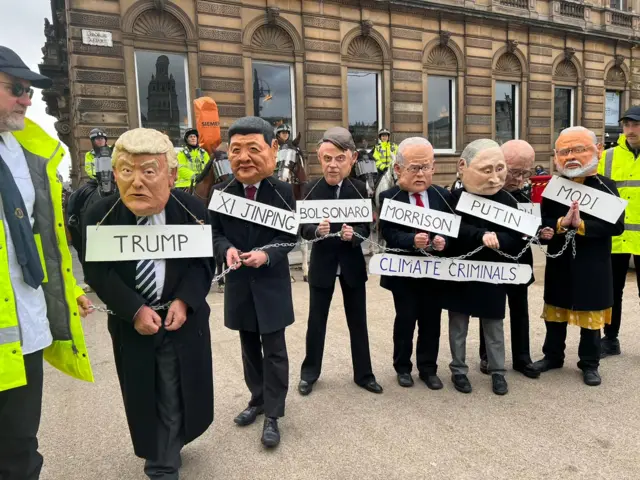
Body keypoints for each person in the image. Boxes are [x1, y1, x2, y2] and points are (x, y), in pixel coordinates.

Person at [83, 128, 214, 479]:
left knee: (174, 385)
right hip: (132, 323)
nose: (136, 182)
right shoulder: (98, 215)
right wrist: (134, 309)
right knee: (143, 389)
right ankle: (163, 453)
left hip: (180, 319)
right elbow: (98, 272)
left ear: (171, 176)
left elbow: (204, 264)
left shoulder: (193, 209)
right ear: (115, 174)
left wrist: (185, 302)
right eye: (127, 171)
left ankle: (164, 459)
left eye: (148, 171)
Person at [0, 45, 94, 479]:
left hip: (24, 327)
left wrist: (69, 288)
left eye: (29, 89)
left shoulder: (29, 153)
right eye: (17, 88)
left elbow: (45, 239)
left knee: (20, 445)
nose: (28, 98)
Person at [210, 116, 296, 449]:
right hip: (240, 286)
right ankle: (257, 399)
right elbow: (214, 234)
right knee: (248, 348)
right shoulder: (220, 192)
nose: (243, 158)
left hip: (271, 284)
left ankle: (274, 414)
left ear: (271, 150)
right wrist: (227, 250)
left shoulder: (283, 190)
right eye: (236, 150)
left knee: (274, 350)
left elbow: (288, 237)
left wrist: (267, 254)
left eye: (252, 149)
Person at [533, 126, 624, 386]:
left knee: (591, 317)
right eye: (565, 151)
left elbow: (615, 226)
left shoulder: (606, 187)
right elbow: (545, 221)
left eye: (578, 149)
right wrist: (560, 223)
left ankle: (589, 363)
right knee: (555, 310)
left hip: (592, 262)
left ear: (597, 150)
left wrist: (581, 225)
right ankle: (552, 356)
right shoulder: (553, 187)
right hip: (560, 261)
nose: (571, 156)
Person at [297, 127, 383, 396]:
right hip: (323, 264)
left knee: (358, 321)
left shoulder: (359, 189)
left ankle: (364, 374)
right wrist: (315, 231)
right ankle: (309, 373)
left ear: (351, 159)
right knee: (316, 322)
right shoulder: (311, 189)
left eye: (339, 159)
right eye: (327, 159)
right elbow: (303, 226)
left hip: (351, 265)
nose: (332, 165)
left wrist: (354, 235)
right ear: (319, 158)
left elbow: (366, 227)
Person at [445, 139, 524, 396]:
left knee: (494, 324)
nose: (494, 178)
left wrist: (500, 240)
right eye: (486, 170)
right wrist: (480, 235)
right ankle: (458, 370)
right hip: (460, 271)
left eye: (500, 169)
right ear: (463, 166)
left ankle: (498, 372)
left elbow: (516, 237)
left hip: (493, 272)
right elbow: (449, 229)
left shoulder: (508, 201)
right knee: (459, 324)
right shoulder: (452, 199)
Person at [378, 137, 452, 390]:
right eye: (414, 168)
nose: (421, 174)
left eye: (426, 167)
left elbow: (453, 232)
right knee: (406, 319)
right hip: (403, 273)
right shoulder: (390, 197)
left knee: (431, 321)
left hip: (434, 272)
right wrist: (412, 240)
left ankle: (428, 369)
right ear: (399, 169)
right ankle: (402, 367)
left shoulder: (443, 196)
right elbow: (388, 232)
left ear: (433, 168)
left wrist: (443, 243)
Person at [478, 140, 541, 379]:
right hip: (490, 261)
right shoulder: (482, 191)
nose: (519, 178)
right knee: (490, 309)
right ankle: (487, 356)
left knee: (520, 310)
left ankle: (522, 358)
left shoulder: (525, 196)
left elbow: (535, 229)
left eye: (526, 173)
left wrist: (542, 232)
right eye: (514, 172)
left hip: (518, 262)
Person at [598, 105, 640, 357]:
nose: (630, 129)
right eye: (626, 124)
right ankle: (610, 339)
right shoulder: (609, 156)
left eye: (635, 124)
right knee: (612, 292)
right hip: (616, 236)